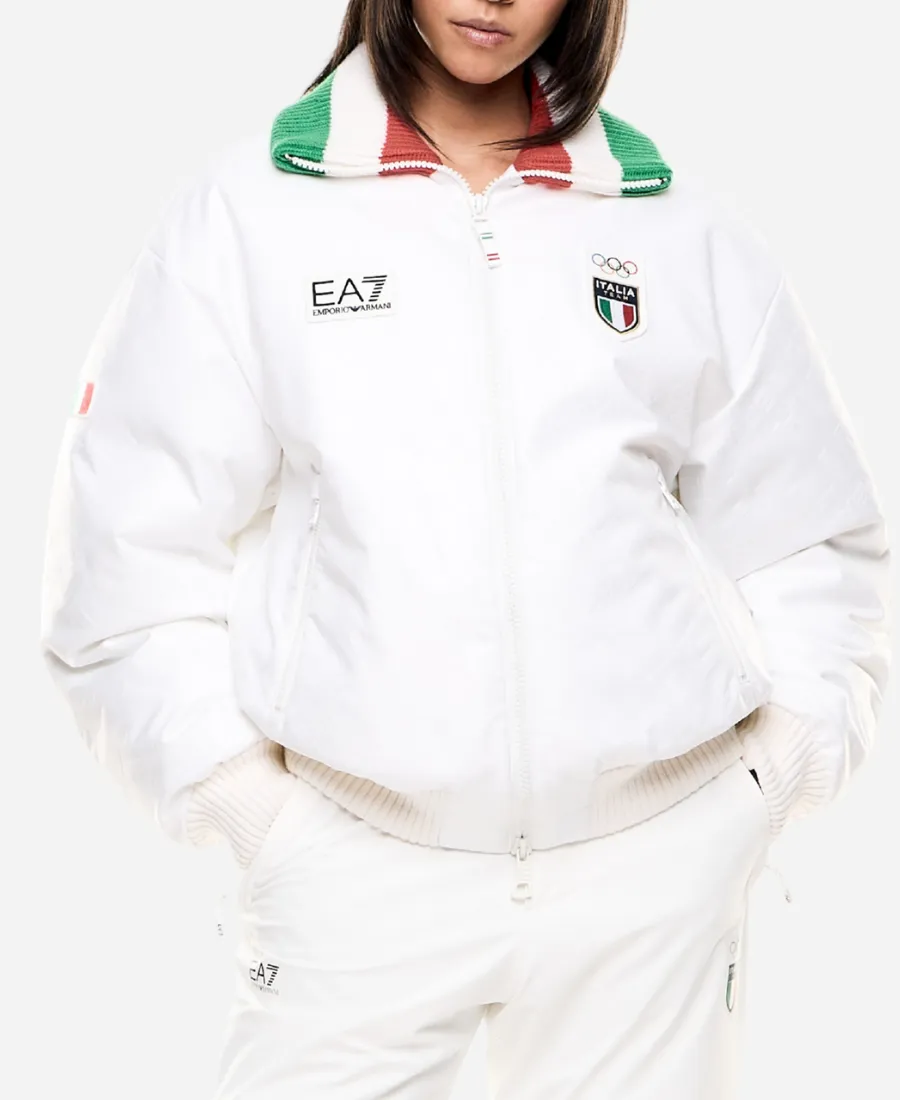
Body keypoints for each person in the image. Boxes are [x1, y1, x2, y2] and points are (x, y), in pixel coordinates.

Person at [40, 1, 891, 1096]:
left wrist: (773, 780)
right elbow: (128, 553)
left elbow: (810, 538)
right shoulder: (249, 215)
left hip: (651, 883)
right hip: (357, 878)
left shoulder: (676, 226)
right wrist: (248, 807)